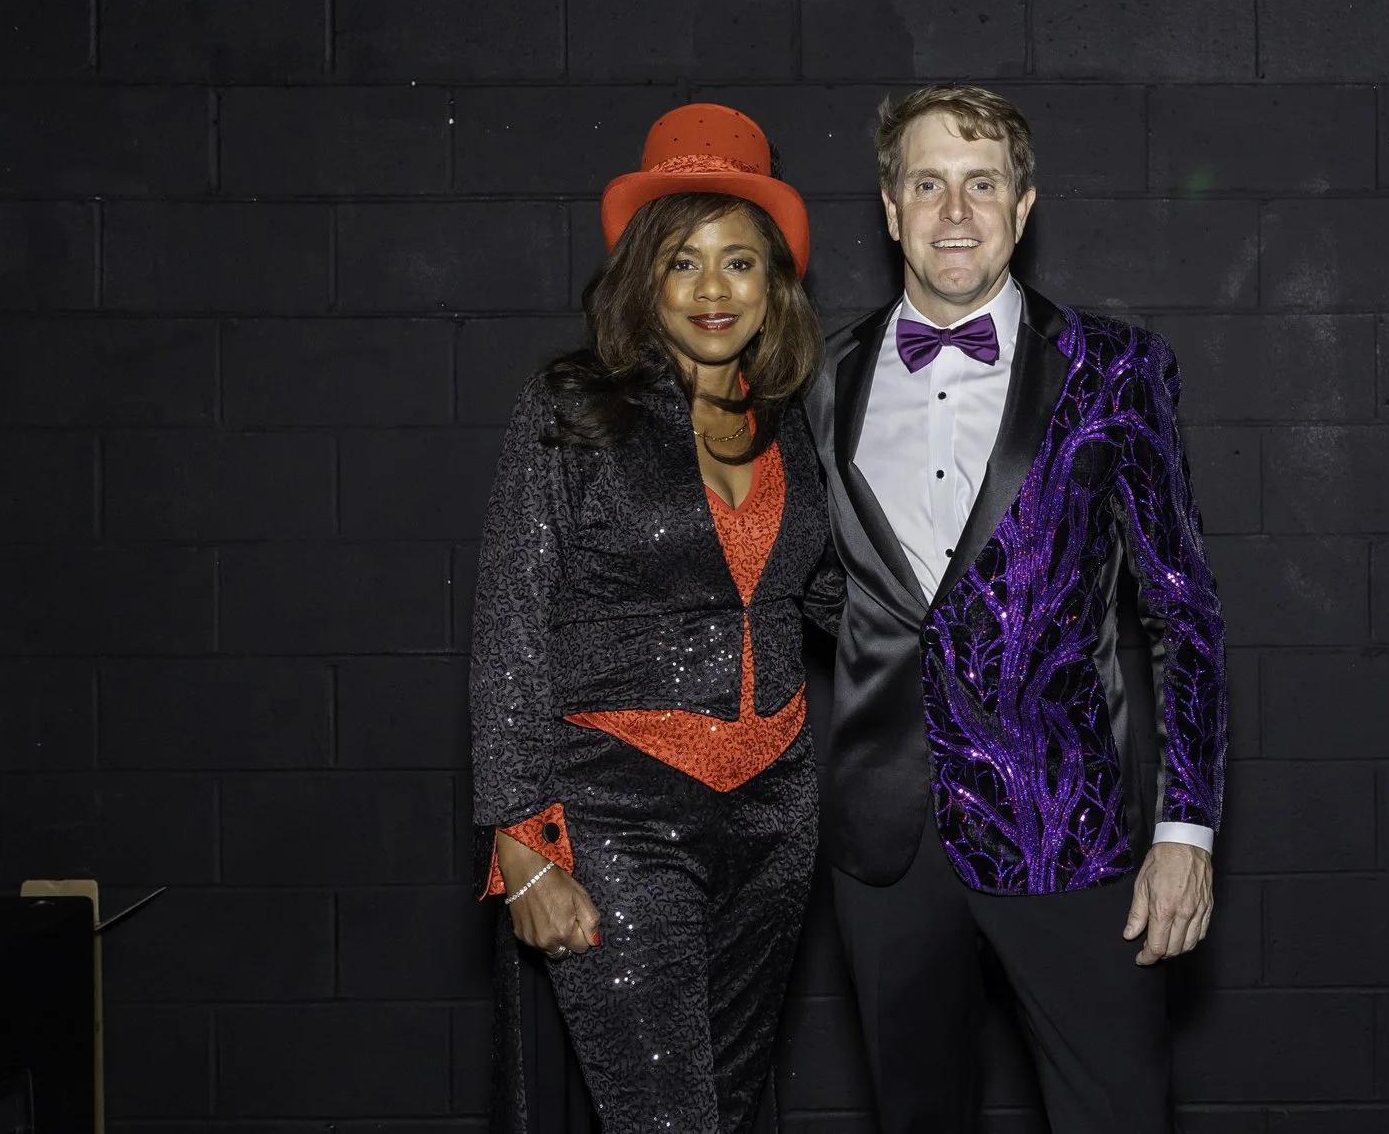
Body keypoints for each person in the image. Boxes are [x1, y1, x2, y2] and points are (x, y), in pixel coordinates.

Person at [804, 84, 1228, 1134]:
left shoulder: (1116, 369)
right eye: (927, 184)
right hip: (884, 838)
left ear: (1023, 205)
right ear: (890, 209)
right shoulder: (820, 378)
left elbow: (1182, 612)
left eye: (982, 184)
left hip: (1067, 826)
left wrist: (1186, 828)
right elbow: (817, 584)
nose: (955, 212)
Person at [471, 103, 827, 1134]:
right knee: (662, 1115)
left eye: (739, 262)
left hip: (775, 816)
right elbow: (509, 622)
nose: (714, 290)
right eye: (683, 262)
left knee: (727, 1109)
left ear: (774, 281)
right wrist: (522, 840)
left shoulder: (790, 422)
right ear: (645, 277)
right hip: (615, 812)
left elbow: (828, 593)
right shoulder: (573, 406)